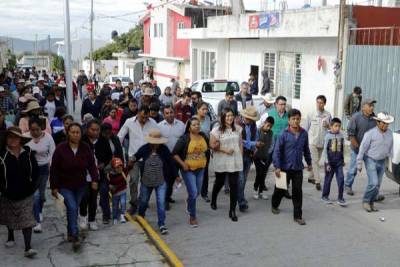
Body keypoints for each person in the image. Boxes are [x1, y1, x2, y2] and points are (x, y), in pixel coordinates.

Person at [50, 123, 99, 250]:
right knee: (72, 207)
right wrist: (54, 186)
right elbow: (54, 168)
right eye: (73, 132)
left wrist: (94, 179)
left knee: (73, 208)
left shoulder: (85, 148)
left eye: (78, 132)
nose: (76, 134)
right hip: (65, 185)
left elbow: (92, 165)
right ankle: (75, 236)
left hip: (81, 185)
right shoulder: (60, 148)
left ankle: (70, 231)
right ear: (68, 133)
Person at [0, 127, 39, 258]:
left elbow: (36, 171)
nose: (12, 140)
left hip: (26, 193)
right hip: (8, 194)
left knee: (26, 218)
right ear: (6, 140)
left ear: (21, 139)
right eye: (9, 137)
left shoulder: (28, 154)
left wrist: (33, 186)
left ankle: (28, 248)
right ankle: (10, 236)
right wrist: (2, 188)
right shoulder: (1, 155)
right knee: (9, 217)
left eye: (16, 137)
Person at [271, 109, 312, 225]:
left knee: (297, 191)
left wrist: (309, 163)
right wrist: (277, 166)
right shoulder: (283, 134)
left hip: (298, 168)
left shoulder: (304, 134)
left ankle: (298, 216)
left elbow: (306, 150)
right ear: (288, 120)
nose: (296, 121)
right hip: (284, 168)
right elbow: (277, 151)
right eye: (293, 119)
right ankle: (274, 205)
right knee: (280, 189)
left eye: (298, 119)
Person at [135, 130, 179, 235]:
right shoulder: (144, 148)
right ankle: (141, 218)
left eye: (157, 142)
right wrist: (132, 160)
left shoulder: (164, 149)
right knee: (144, 201)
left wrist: (176, 175)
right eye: (153, 142)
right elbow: (136, 156)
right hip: (146, 180)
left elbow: (171, 162)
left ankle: (162, 224)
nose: (156, 145)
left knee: (161, 202)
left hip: (161, 180)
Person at [117, 105, 159, 215]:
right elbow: (120, 137)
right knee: (133, 181)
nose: (145, 120)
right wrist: (117, 154)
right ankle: (134, 204)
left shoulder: (153, 123)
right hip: (133, 158)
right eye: (142, 117)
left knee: (146, 182)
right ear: (138, 114)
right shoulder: (129, 122)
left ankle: (143, 200)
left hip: (148, 158)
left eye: (147, 118)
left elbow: (158, 138)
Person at [173, 117, 209, 227]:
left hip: (201, 168)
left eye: (198, 124)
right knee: (193, 192)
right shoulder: (184, 139)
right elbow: (174, 153)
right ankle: (192, 217)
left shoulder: (203, 136)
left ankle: (189, 203)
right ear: (189, 127)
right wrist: (183, 164)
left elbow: (208, 148)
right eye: (194, 125)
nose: (197, 126)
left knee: (197, 192)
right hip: (188, 170)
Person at [209, 108, 243, 222]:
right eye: (227, 116)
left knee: (234, 185)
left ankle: (232, 210)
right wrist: (225, 150)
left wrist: (240, 157)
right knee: (220, 182)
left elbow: (240, 144)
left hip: (234, 160)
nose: (230, 118)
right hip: (221, 160)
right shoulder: (216, 130)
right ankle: (213, 198)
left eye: (231, 115)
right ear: (223, 117)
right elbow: (212, 145)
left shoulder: (238, 128)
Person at [357, 112, 394, 212]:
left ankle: (371, 202)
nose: (386, 125)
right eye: (383, 123)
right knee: (373, 183)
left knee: (377, 185)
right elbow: (362, 148)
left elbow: (391, 148)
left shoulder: (390, 133)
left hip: (382, 161)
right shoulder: (370, 134)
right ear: (377, 122)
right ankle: (366, 201)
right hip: (370, 160)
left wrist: (389, 162)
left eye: (387, 123)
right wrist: (359, 163)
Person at [26, 117, 56, 233]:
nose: (34, 132)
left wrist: (50, 164)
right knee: (35, 195)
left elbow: (53, 153)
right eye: (32, 130)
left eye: (37, 129)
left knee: (41, 195)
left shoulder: (48, 137)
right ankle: (37, 221)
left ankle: (39, 211)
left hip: (43, 168)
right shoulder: (25, 137)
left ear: (41, 128)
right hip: (30, 169)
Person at [345, 99, 377, 196]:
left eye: (373, 105)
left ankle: (373, 192)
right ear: (363, 107)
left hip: (369, 152)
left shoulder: (375, 119)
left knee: (372, 171)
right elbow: (351, 135)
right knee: (353, 169)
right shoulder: (356, 117)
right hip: (357, 149)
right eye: (370, 105)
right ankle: (348, 185)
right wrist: (359, 149)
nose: (372, 107)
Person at [158, 105, 185, 209]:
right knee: (166, 180)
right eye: (167, 113)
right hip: (165, 159)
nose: (169, 115)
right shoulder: (159, 126)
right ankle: (164, 200)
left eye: (171, 112)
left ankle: (168, 196)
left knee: (172, 179)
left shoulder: (181, 125)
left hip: (177, 158)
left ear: (175, 113)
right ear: (164, 114)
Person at [97, 123, 123, 224]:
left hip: (116, 168)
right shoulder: (99, 141)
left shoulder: (115, 139)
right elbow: (99, 157)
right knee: (104, 191)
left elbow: (120, 152)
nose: (108, 135)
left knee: (116, 190)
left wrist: (121, 166)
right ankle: (106, 215)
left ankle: (117, 211)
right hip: (104, 170)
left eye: (109, 133)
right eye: (105, 133)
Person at [304, 95, 332, 191]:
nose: (319, 104)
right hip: (312, 142)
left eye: (321, 103)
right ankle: (318, 181)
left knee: (315, 162)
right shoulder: (311, 114)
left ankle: (311, 177)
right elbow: (306, 128)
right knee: (315, 161)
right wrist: (304, 141)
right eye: (318, 102)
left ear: (324, 104)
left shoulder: (328, 115)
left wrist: (328, 125)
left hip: (322, 142)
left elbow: (331, 128)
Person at [79, 120, 101, 231]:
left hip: (96, 175)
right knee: (84, 197)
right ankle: (83, 217)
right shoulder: (82, 141)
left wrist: (103, 164)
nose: (95, 132)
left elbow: (107, 155)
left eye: (97, 130)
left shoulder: (102, 141)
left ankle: (92, 220)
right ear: (87, 129)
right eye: (93, 129)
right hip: (83, 174)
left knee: (93, 198)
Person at [320, 118, 346, 206]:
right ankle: (324, 196)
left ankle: (340, 198)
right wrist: (327, 162)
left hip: (338, 163)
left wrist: (342, 160)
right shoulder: (327, 136)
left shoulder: (341, 136)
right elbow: (325, 150)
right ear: (331, 126)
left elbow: (342, 149)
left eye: (339, 126)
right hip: (330, 162)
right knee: (328, 180)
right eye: (335, 126)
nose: (338, 128)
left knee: (341, 179)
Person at [237, 106, 259, 212]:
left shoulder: (253, 125)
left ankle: (240, 197)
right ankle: (241, 201)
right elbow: (240, 141)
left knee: (244, 179)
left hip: (249, 155)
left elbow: (256, 136)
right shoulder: (237, 124)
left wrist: (255, 147)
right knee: (240, 179)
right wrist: (254, 144)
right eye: (249, 118)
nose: (250, 120)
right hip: (239, 154)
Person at [253, 116, 274, 199]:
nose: (269, 128)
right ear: (264, 123)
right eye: (268, 125)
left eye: (271, 126)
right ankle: (255, 189)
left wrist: (268, 151)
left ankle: (260, 192)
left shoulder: (271, 133)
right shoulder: (258, 131)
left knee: (263, 174)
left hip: (265, 156)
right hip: (257, 156)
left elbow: (272, 144)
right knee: (259, 173)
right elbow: (254, 142)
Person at [195, 102, 212, 202]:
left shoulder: (208, 119)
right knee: (194, 170)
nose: (205, 111)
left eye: (206, 109)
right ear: (197, 109)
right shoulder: (192, 119)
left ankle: (204, 192)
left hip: (206, 149)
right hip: (194, 149)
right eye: (203, 109)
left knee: (205, 171)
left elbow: (209, 133)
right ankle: (194, 191)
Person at [107, 157, 128, 224]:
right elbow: (108, 183)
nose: (119, 168)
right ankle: (115, 217)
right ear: (113, 168)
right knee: (115, 206)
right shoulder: (110, 175)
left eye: (120, 166)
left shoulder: (123, 172)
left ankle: (122, 215)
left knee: (123, 203)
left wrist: (131, 163)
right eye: (117, 167)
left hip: (123, 191)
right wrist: (110, 186)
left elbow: (129, 167)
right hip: (115, 193)